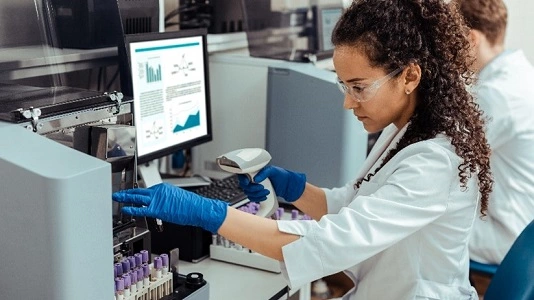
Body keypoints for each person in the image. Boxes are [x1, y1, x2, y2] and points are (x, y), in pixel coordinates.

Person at [113, 0, 493, 298]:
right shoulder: (410, 130)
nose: (348, 103)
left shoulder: (435, 161)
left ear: (410, 76)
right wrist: (295, 190)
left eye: (358, 87)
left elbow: (329, 242)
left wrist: (205, 212)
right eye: (344, 86)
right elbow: (355, 204)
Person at [458, 0, 534, 265]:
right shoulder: (521, 74)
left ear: (471, 38)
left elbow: (450, 157)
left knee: (420, 228)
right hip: (524, 222)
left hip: (510, 235)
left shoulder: (498, 95)